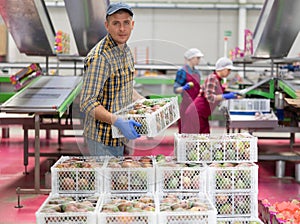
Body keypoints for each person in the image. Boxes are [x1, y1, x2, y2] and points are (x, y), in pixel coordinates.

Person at [80, 2, 144, 156]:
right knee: (105, 180)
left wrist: (146, 104)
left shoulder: (125, 50)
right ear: (107, 26)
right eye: (116, 23)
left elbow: (125, 86)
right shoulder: (100, 58)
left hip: (118, 137)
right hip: (101, 139)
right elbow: (87, 102)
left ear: (132, 25)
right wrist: (117, 121)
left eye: (126, 23)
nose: (122, 29)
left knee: (116, 179)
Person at [182, 57, 240, 134]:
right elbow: (209, 97)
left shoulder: (217, 80)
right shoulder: (212, 78)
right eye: (228, 70)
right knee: (197, 139)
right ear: (222, 69)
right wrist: (226, 96)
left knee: (204, 138)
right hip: (196, 113)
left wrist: (233, 94)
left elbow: (218, 92)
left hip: (202, 114)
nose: (229, 72)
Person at [173, 48, 204, 133]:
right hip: (186, 104)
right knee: (185, 128)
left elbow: (198, 87)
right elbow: (175, 89)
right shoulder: (182, 71)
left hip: (196, 104)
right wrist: (184, 88)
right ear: (191, 58)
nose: (199, 60)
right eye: (197, 58)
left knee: (196, 127)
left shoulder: (197, 72)